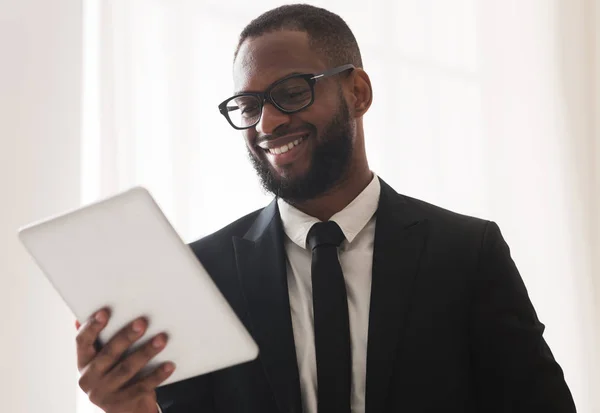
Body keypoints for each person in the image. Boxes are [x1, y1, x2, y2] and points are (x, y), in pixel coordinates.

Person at [74, 4, 577, 413]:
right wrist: (132, 409)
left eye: (291, 92)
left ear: (357, 92)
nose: (266, 124)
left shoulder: (468, 253)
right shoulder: (202, 271)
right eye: (248, 106)